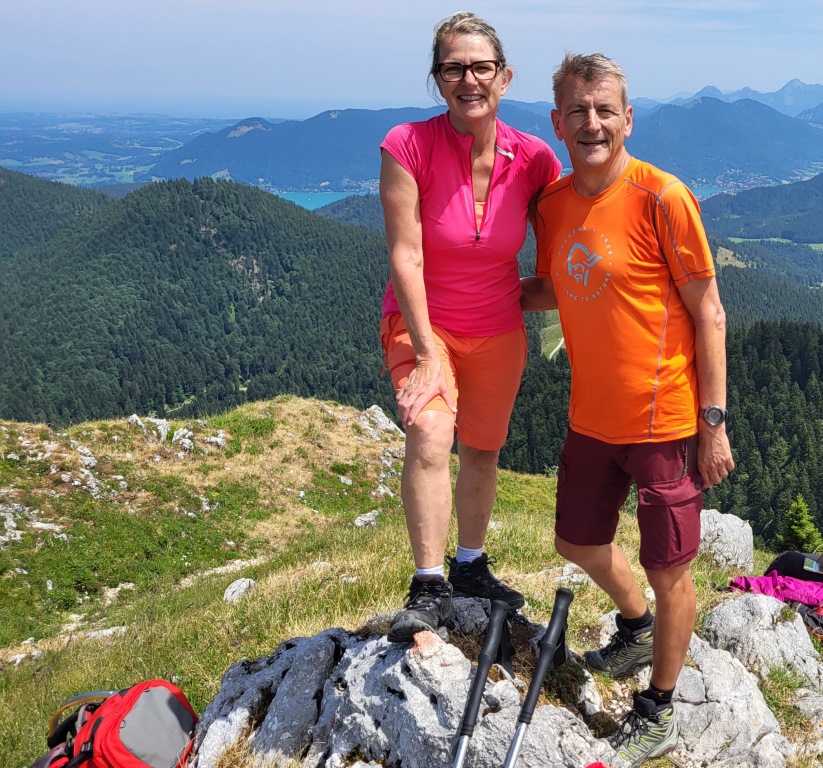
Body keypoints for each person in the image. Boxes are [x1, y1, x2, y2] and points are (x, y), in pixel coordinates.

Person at [521, 53, 734, 767]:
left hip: (664, 421)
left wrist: (712, 423)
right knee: (575, 542)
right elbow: (557, 286)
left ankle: (659, 708)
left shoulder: (661, 196)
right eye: (577, 111)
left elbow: (709, 311)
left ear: (627, 119)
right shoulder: (552, 204)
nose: (592, 123)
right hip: (591, 417)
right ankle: (637, 627)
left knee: (669, 569)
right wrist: (475, 290)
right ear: (557, 122)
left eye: (604, 109)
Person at [378, 12, 562, 643]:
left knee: (482, 449)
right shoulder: (407, 145)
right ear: (437, 79)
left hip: (499, 330)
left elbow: (563, 246)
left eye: (481, 67)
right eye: (453, 68)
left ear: (504, 77)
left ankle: (470, 566)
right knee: (431, 433)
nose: (469, 80)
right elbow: (406, 255)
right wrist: (428, 355)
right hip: (421, 324)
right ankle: (429, 583)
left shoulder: (534, 159)